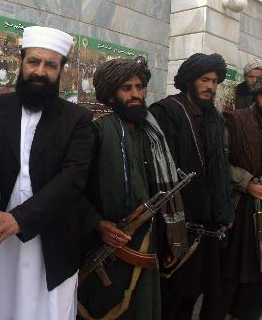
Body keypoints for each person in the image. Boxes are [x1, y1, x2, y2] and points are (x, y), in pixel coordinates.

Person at [0, 26, 94, 320]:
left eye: (50, 65)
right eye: (34, 62)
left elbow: (73, 178)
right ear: (21, 62)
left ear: (61, 70)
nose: (40, 71)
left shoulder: (77, 118)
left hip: (51, 235)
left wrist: (19, 219)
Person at [77, 57, 188, 320]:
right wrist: (98, 223)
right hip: (108, 247)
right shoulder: (97, 132)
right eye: (126, 88)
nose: (136, 94)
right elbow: (73, 189)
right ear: (111, 95)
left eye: (139, 87)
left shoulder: (152, 134)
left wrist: (170, 240)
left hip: (147, 243)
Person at [149, 53, 235, 320]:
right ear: (189, 81)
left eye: (215, 81)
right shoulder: (167, 111)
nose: (210, 86)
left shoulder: (214, 117)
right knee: (171, 296)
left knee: (193, 294)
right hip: (177, 225)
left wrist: (224, 209)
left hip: (207, 225)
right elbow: (160, 173)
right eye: (204, 80)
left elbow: (219, 168)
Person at [220, 77, 262, 320]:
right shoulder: (234, 121)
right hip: (240, 212)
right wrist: (247, 183)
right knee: (229, 278)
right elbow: (217, 165)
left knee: (255, 288)